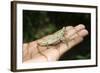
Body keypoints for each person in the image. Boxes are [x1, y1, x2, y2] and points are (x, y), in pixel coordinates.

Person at [23, 24, 88, 63]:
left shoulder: (63, 33)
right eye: (64, 31)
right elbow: (61, 38)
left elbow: (62, 37)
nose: (65, 31)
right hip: (52, 40)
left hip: (56, 38)